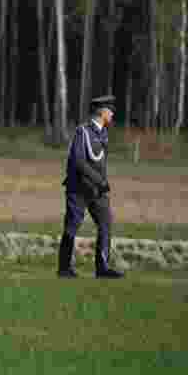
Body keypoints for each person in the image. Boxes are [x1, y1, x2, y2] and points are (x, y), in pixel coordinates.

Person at [58, 95, 124, 279]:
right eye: (110, 111)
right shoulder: (83, 132)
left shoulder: (103, 133)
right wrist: (98, 180)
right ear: (102, 112)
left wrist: (101, 184)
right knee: (72, 226)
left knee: (105, 223)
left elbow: (98, 162)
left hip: (97, 191)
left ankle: (102, 268)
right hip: (78, 188)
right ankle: (64, 268)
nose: (112, 114)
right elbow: (77, 160)